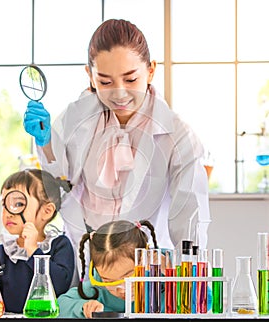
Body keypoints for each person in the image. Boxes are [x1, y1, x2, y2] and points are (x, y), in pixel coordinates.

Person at [23, 19, 211, 277]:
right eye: (105, 82)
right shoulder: (74, 119)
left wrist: (192, 277)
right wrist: (45, 146)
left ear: (151, 71)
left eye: (130, 79)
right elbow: (61, 189)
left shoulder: (177, 134)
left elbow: (190, 214)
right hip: (87, 266)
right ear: (90, 76)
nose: (119, 94)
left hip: (148, 273)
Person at [0, 169, 75, 313]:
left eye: (17, 204)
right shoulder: (3, 252)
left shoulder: (60, 245)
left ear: (47, 211)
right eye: (4, 205)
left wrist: (33, 251)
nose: (8, 213)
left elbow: (60, 285)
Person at [57, 219, 161, 318]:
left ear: (145, 259)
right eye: (109, 281)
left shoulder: (164, 280)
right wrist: (84, 307)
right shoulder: (97, 288)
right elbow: (60, 304)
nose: (121, 289)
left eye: (128, 275)